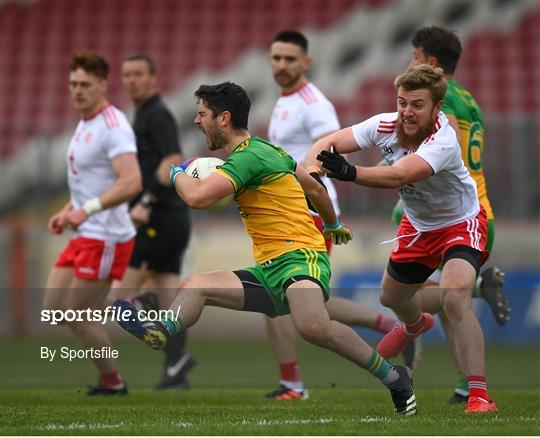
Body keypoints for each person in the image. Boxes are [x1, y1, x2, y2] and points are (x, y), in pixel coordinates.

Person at [114, 81, 417, 416]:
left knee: (312, 326)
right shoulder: (271, 151)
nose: (197, 122)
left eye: (202, 115)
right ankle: (162, 330)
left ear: (223, 118)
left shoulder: (246, 159)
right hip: (270, 267)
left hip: (301, 256)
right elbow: (316, 191)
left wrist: (176, 173)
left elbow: (198, 198)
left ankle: (395, 378)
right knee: (195, 287)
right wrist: (332, 224)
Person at [309, 64, 497, 414]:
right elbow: (328, 142)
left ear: (437, 108)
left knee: (455, 297)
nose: (407, 112)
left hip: (461, 223)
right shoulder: (386, 124)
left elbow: (400, 174)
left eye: (417, 105)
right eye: (402, 103)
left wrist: (350, 172)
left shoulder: (442, 139)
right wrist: (313, 174)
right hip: (418, 226)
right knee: (390, 296)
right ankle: (416, 323)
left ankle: (479, 395)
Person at [264, 29, 415, 401]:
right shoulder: (286, 101)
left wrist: (311, 198)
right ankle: (388, 325)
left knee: (283, 297)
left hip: (310, 211)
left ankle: (293, 384)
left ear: (306, 62)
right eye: (276, 58)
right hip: (291, 210)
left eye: (289, 58)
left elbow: (327, 153)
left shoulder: (314, 104)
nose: (282, 65)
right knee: (306, 300)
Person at [394, 26, 510, 404]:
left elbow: (441, 161)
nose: (411, 63)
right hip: (476, 208)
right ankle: (466, 386)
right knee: (449, 300)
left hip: (457, 215)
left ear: (430, 61)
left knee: (432, 295)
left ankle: (479, 289)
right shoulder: (469, 100)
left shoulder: (445, 104)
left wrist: (405, 198)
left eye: (415, 56)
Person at [42, 49, 142, 395]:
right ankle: (126, 307)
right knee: (53, 308)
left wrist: (88, 209)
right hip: (86, 231)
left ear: (102, 85)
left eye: (85, 84)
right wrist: (69, 208)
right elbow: (90, 182)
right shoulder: (86, 123)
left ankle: (113, 381)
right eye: (73, 83)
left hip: (107, 236)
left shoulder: (113, 126)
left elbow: (131, 181)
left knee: (74, 314)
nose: (77, 90)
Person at [110, 53, 195, 390]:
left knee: (121, 300)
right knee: (167, 297)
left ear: (152, 78)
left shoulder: (156, 114)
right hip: (173, 218)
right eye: (126, 74)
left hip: (158, 218)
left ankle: (173, 353)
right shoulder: (144, 114)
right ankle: (176, 367)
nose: (131, 80)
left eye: (137, 74)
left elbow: (173, 158)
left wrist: (146, 200)